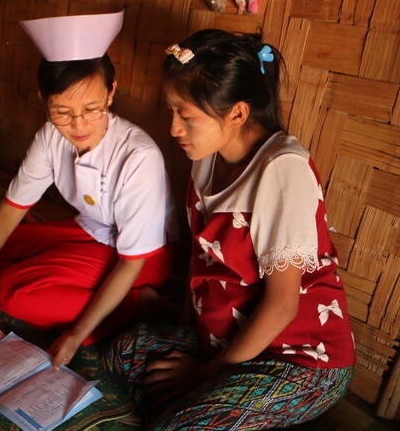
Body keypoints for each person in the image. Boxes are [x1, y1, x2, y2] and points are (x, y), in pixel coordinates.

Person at [103, 29, 356, 430]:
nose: (173, 129)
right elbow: (200, 260)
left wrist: (203, 374)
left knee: (179, 424)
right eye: (172, 111)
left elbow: (282, 305)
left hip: (297, 358)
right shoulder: (206, 158)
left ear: (237, 113)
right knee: (124, 354)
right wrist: (186, 333)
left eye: (185, 116)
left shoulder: (281, 169)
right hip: (222, 339)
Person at [0, 10, 174, 368]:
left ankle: (137, 304)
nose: (78, 125)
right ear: (43, 98)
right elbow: (11, 209)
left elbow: (132, 261)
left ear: (112, 92)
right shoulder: (51, 136)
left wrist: (75, 336)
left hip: (140, 258)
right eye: (62, 111)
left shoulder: (138, 155)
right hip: (91, 231)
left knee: (12, 293)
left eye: (92, 108)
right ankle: (101, 299)